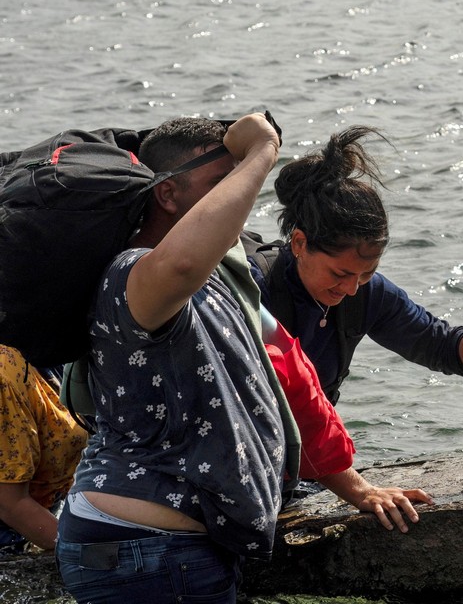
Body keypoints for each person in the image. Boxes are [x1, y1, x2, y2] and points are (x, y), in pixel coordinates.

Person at [55, 115, 429, 604]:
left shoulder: (218, 282)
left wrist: (355, 489)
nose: (235, 196)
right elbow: (182, 261)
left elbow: (290, 380)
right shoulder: (134, 272)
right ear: (167, 195)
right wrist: (260, 155)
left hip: (171, 548)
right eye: (220, 182)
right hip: (145, 549)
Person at [246, 126, 463, 407]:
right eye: (340, 274)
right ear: (300, 243)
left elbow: (436, 343)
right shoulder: (251, 287)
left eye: (365, 274)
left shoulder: (366, 295)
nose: (352, 289)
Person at [0, 348, 88, 554]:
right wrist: (85, 556)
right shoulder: (5, 378)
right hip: (11, 537)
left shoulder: (39, 351)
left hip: (44, 515)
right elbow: (9, 504)